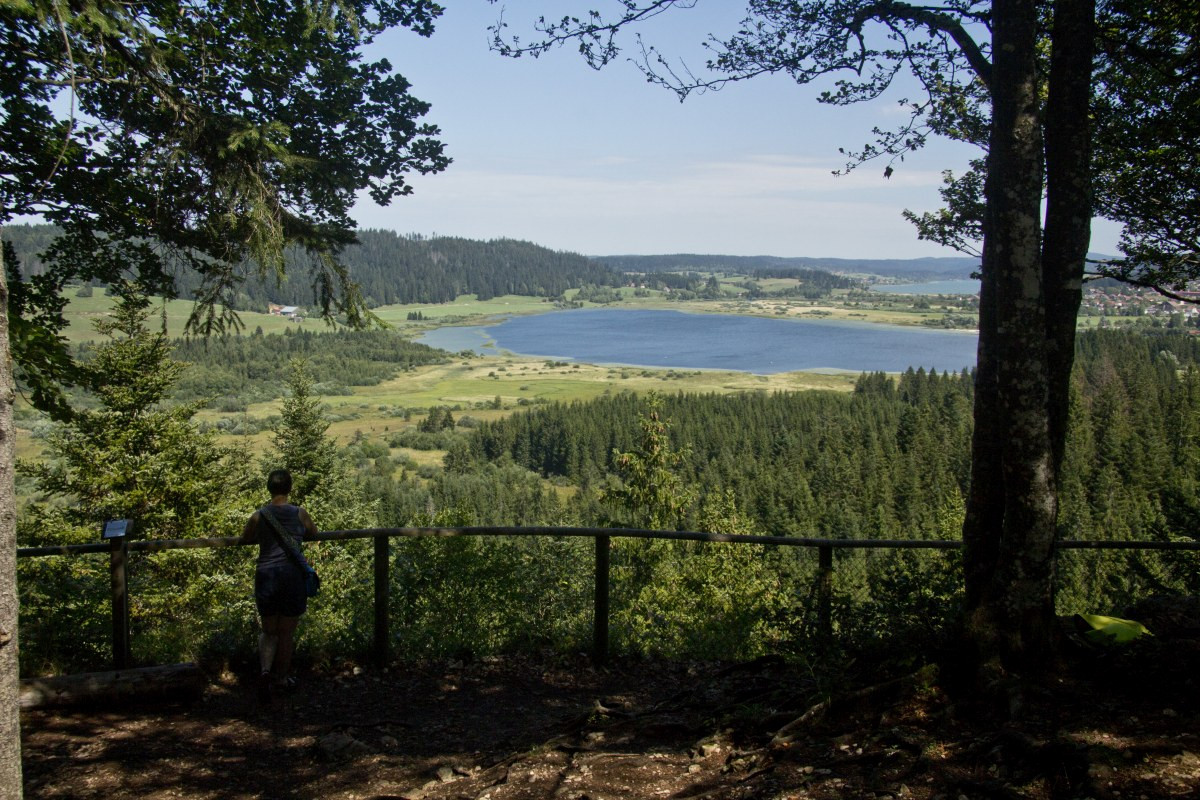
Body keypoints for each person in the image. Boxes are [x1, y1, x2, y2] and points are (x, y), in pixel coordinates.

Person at [242, 469, 318, 704]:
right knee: (286, 632)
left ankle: (265, 672)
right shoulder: (300, 513)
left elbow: (245, 538)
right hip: (292, 577)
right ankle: (281, 679)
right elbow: (313, 532)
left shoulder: (259, 516)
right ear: (289, 488)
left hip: (266, 575)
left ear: (269, 488)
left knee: (268, 630)